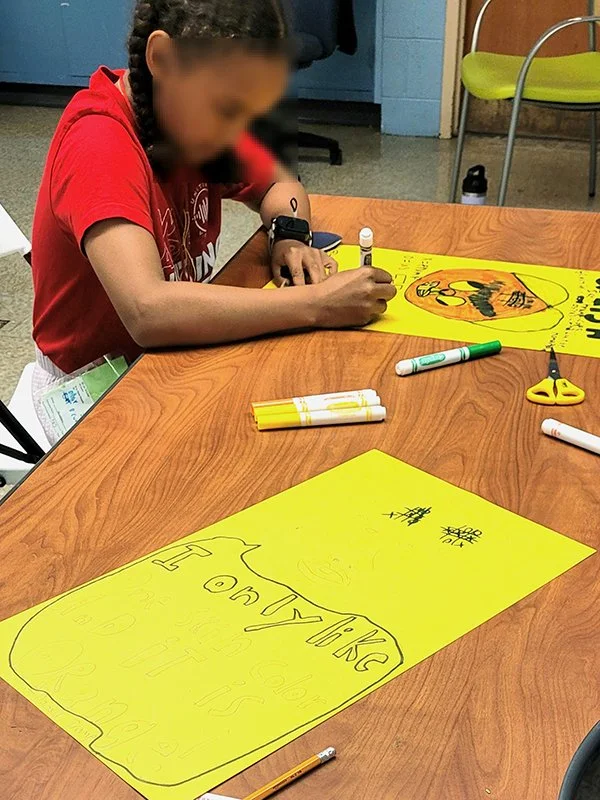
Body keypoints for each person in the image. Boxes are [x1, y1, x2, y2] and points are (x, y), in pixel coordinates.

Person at [30, 0, 395, 442]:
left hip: (166, 364)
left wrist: (290, 235)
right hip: (91, 393)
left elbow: (280, 183)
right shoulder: (100, 145)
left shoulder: (195, 119)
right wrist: (317, 306)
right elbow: (148, 310)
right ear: (163, 59)